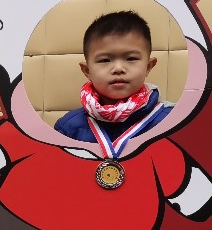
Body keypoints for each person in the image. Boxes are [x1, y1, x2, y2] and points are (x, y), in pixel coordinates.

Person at [53, 10, 171, 147]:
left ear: (148, 66)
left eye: (131, 58)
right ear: (87, 70)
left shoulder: (171, 121)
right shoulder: (68, 128)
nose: (118, 68)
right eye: (104, 60)